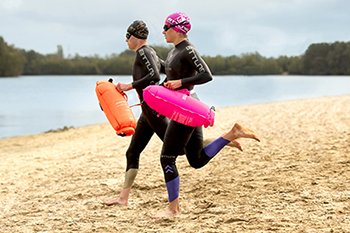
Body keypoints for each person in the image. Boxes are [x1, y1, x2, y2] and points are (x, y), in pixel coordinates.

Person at [151, 12, 260, 219]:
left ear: (177, 29)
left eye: (166, 27)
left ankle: (173, 210)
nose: (163, 31)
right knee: (196, 160)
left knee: (167, 157)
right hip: (184, 106)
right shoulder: (175, 51)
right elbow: (171, 77)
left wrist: (180, 83)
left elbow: (206, 74)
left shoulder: (188, 49)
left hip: (187, 107)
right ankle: (232, 134)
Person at [102, 20, 170, 206]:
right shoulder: (151, 52)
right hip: (147, 112)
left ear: (134, 36)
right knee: (132, 152)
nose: (126, 40)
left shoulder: (144, 52)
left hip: (154, 110)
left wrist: (130, 86)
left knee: (182, 149)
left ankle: (226, 138)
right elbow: (167, 70)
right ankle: (123, 198)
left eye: (127, 36)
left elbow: (155, 76)